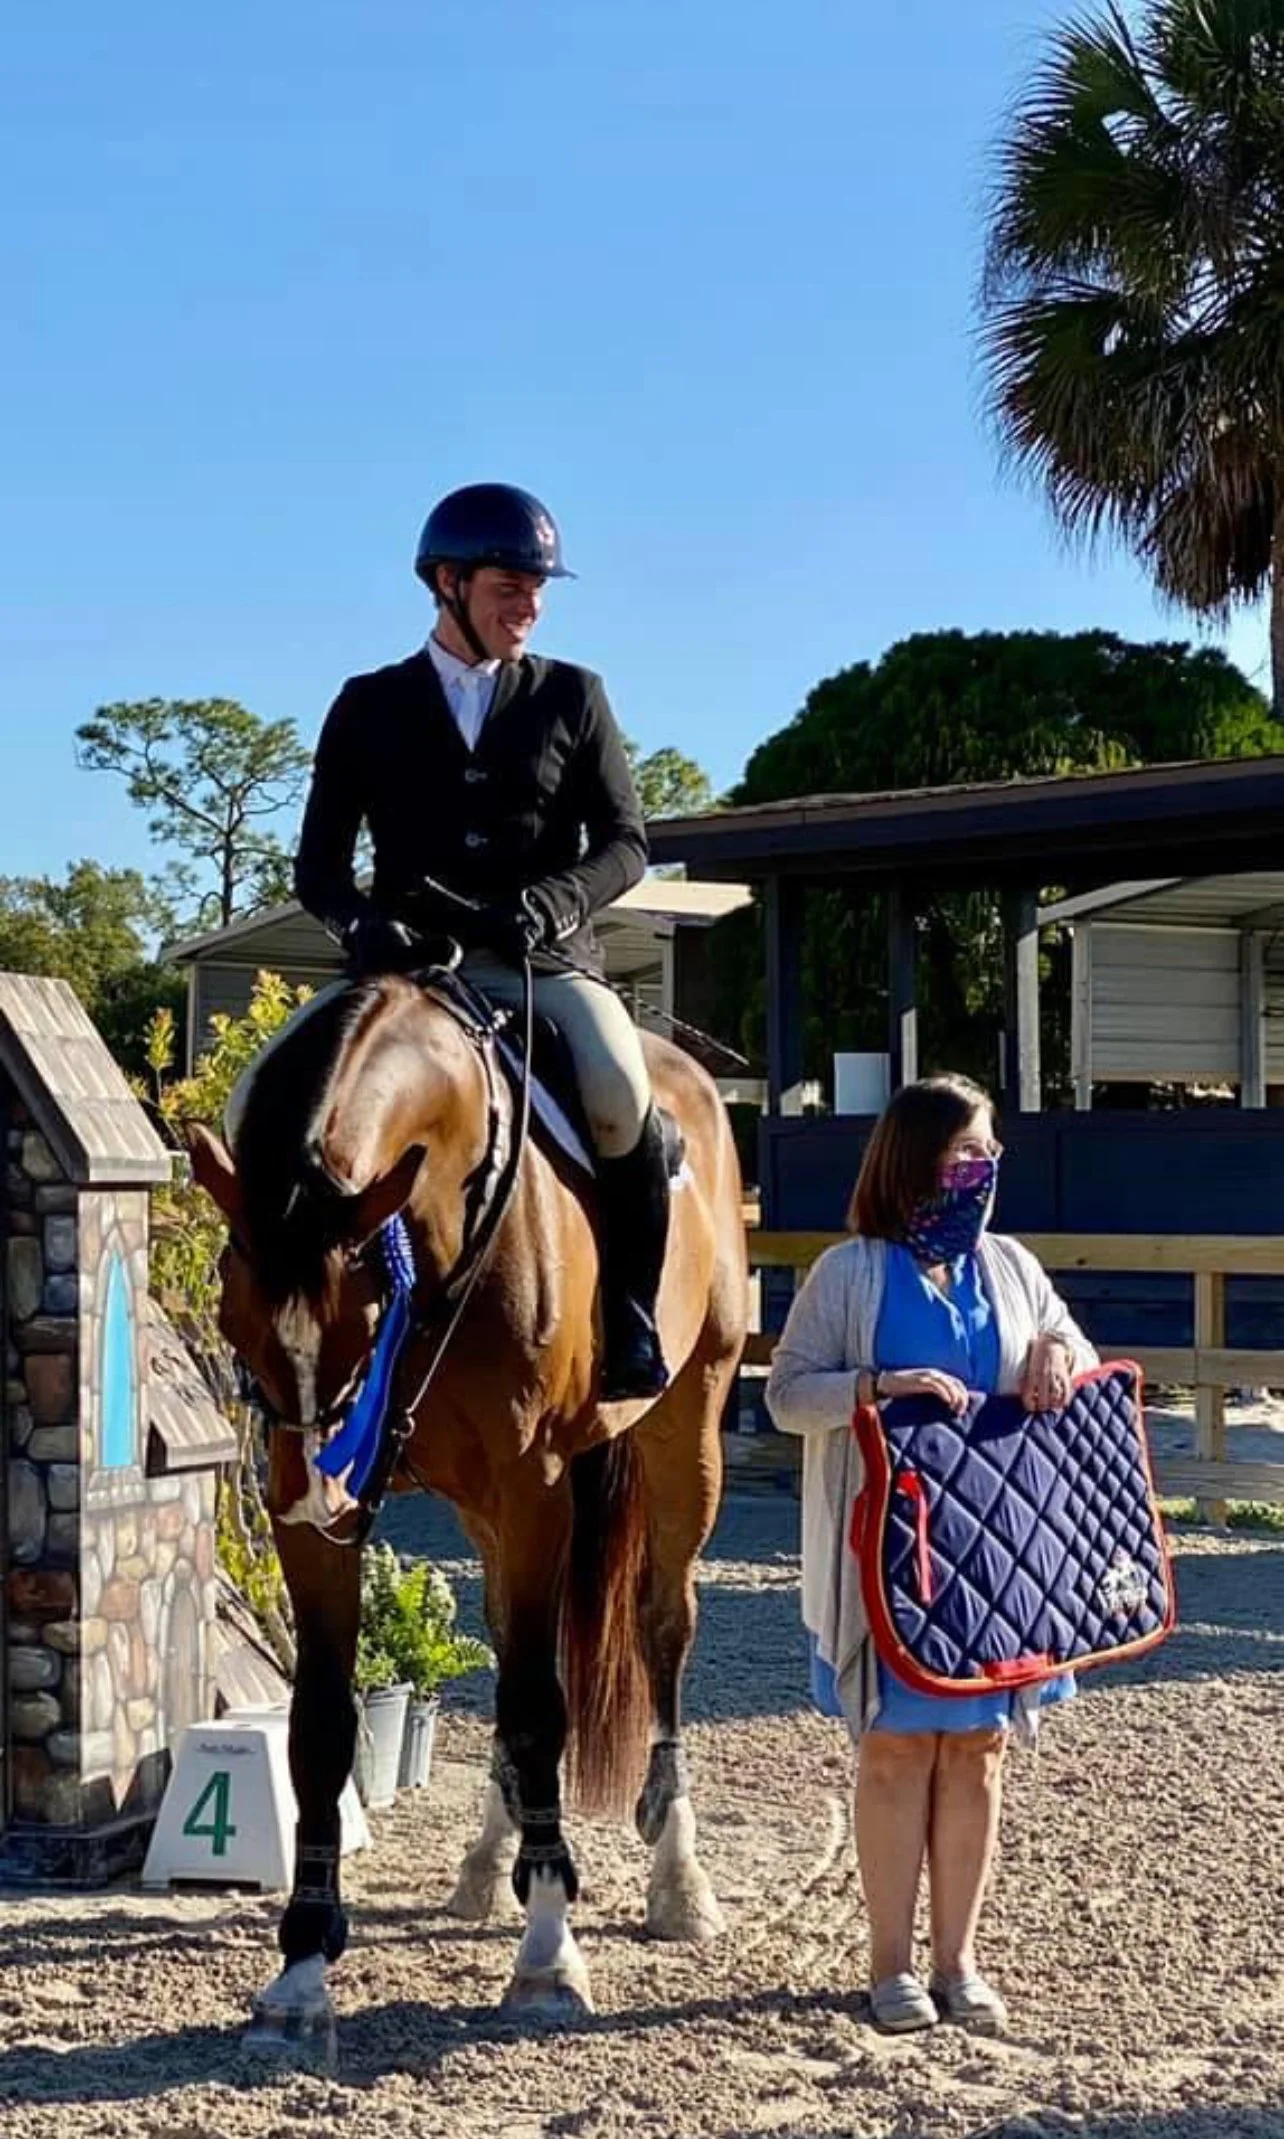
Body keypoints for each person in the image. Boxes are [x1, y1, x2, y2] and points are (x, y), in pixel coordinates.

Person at [292, 482, 669, 1400]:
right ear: (449, 582)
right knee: (272, 1094)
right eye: (511, 583)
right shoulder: (367, 705)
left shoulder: (575, 696)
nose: (530, 604)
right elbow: (318, 868)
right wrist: (360, 923)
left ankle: (630, 1318)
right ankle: (289, 1324)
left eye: (539, 587)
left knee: (622, 1096)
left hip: (537, 959)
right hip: (407, 975)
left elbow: (628, 846)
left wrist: (554, 903)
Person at [765, 1074, 1097, 2037]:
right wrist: (874, 1385)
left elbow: (1065, 1338)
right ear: (914, 1160)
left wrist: (1057, 1356)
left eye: (988, 1150)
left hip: (995, 1563)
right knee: (896, 1750)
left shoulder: (1012, 1268)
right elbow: (789, 1395)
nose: (979, 1168)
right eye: (962, 1152)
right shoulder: (850, 1274)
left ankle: (959, 1960)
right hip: (888, 1562)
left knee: (980, 1753)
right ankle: (889, 1966)